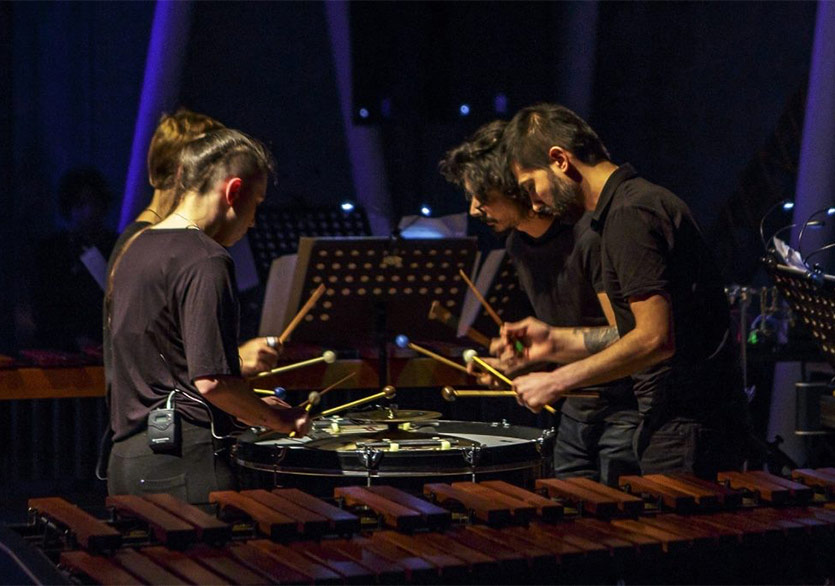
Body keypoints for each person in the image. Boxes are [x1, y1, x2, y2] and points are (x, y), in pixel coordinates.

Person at [496, 103, 750, 477]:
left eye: (531, 186)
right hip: (672, 418)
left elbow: (655, 339)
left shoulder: (631, 214)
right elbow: (633, 333)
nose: (534, 202)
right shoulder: (625, 210)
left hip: (686, 422)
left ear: (560, 160)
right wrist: (551, 341)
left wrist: (556, 380)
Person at [106, 128, 310, 504]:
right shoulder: (206, 258)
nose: (253, 221)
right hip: (184, 468)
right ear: (233, 192)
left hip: (127, 463)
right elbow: (213, 382)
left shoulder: (135, 248)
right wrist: (276, 420)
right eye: (256, 202)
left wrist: (253, 404)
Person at [440, 120, 640, 485]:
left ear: (514, 186)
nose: (473, 209)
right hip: (573, 414)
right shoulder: (519, 246)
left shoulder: (589, 236)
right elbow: (552, 329)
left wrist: (552, 363)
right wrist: (509, 360)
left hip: (625, 414)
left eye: (482, 195)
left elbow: (632, 336)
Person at [32, 167, 117, 352]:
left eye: (95, 203)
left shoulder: (117, 247)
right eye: (81, 205)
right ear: (69, 208)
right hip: (63, 350)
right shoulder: (53, 251)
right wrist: (72, 338)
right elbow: (44, 306)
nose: (89, 212)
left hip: (110, 348)